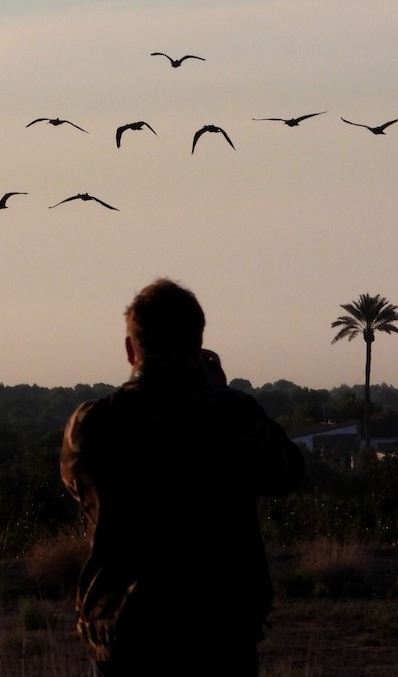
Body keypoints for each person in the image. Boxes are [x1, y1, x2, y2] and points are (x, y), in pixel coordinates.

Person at [60, 278, 304, 675]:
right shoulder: (233, 417)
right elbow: (287, 473)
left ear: (129, 350)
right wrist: (221, 395)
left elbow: (77, 485)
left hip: (125, 634)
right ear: (197, 346)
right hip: (219, 634)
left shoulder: (93, 425)